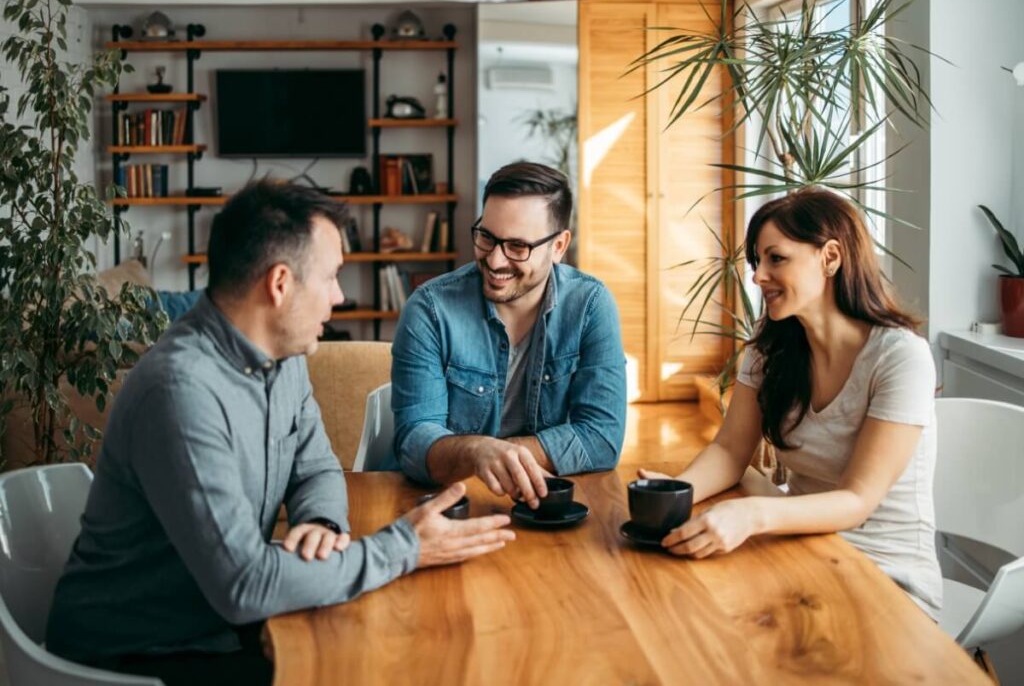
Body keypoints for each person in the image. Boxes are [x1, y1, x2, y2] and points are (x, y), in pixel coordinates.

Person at [45, 180, 514, 685]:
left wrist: (322, 526)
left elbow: (315, 466)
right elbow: (245, 585)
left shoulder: (281, 356)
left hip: (221, 626)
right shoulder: (180, 392)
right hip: (138, 657)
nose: (338, 296)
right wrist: (406, 548)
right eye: (332, 277)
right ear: (280, 284)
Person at [641, 187, 942, 620]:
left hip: (887, 579)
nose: (759, 276)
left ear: (831, 257)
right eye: (757, 262)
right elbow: (730, 451)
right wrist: (679, 493)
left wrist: (752, 515)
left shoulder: (900, 358)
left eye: (775, 259)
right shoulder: (771, 350)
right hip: (801, 550)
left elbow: (857, 500)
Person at [392, 162, 627, 508]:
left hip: (546, 506)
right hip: (449, 505)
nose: (495, 260)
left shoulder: (591, 305)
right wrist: (477, 453)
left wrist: (499, 455)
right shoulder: (430, 309)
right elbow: (414, 442)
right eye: (487, 237)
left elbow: (602, 437)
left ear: (559, 245)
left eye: (518, 246)